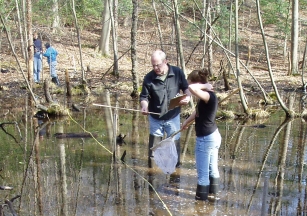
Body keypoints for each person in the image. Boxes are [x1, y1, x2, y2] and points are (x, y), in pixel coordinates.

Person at [140, 49, 191, 168]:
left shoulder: (177, 72)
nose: (155, 68)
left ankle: (175, 176)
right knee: (154, 148)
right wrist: (144, 106)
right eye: (153, 65)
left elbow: (186, 88)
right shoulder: (149, 78)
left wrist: (187, 97)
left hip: (173, 116)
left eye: (158, 65)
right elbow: (144, 97)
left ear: (166, 62)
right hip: (155, 117)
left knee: (174, 146)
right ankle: (151, 175)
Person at [181, 69, 221, 201]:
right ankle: (212, 200)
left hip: (206, 139)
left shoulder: (208, 95)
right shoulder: (205, 98)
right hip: (212, 136)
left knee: (203, 175)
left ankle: (200, 205)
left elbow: (192, 87)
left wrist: (204, 86)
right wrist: (186, 122)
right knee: (212, 169)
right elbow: (198, 112)